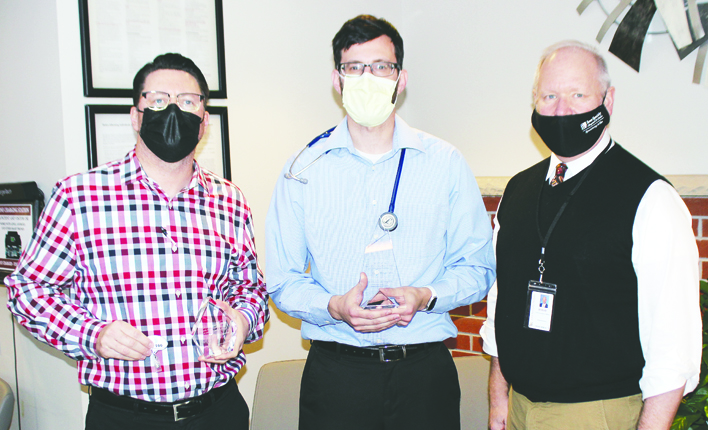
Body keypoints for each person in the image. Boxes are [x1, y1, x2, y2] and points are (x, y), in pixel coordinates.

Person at [5, 53, 269, 430]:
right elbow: (27, 290)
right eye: (158, 100)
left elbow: (250, 286)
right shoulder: (80, 197)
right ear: (136, 115)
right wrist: (91, 334)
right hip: (124, 416)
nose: (173, 110)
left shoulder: (229, 200)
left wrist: (242, 321)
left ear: (204, 120)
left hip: (219, 411)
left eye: (188, 101)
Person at [265, 15, 495, 430]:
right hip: (337, 375)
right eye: (354, 68)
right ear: (337, 80)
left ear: (400, 79)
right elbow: (282, 279)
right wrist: (332, 306)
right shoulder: (303, 168)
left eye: (381, 67)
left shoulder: (444, 162)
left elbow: (478, 269)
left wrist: (425, 295)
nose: (367, 78)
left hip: (423, 372)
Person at [480, 40, 701, 430]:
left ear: (608, 101)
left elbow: (672, 342)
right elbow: (503, 301)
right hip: (519, 408)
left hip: (598, 413)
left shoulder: (649, 198)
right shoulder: (518, 191)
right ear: (534, 100)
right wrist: (499, 398)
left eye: (577, 94)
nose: (561, 110)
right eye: (549, 96)